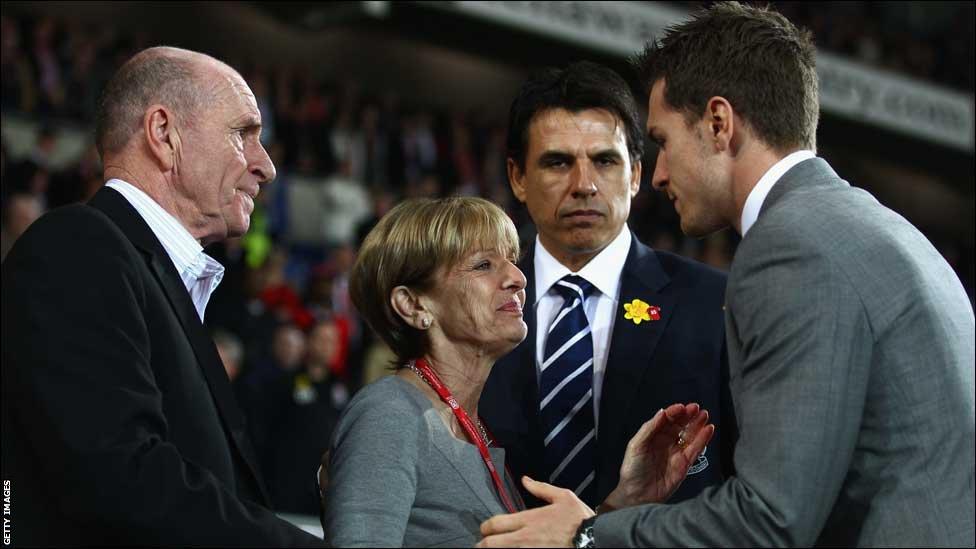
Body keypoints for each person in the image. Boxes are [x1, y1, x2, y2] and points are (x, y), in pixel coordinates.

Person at [477, 3, 976, 547]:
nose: (660, 174)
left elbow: (770, 519)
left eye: (663, 141)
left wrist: (589, 535)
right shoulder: (878, 228)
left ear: (718, 123)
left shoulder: (790, 251)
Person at [1, 46, 322, 546]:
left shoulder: (149, 270)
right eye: (244, 135)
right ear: (163, 134)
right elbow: (121, 477)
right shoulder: (79, 247)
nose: (266, 166)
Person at [321, 196, 713, 547]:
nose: (517, 277)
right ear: (413, 305)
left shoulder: (475, 429)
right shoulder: (390, 415)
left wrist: (624, 501)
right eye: (483, 265)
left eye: (510, 260)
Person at [479, 60, 735, 511]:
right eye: (557, 162)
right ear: (518, 177)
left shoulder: (714, 304)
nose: (584, 185)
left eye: (604, 161)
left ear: (635, 174)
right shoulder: (472, 298)